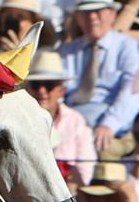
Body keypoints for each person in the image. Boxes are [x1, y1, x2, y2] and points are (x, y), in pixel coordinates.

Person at [59, 0, 139, 153]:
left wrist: (110, 124)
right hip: (70, 127)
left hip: (112, 130)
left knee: (104, 157)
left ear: (113, 14)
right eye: (85, 13)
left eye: (98, 11)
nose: (92, 18)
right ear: (77, 18)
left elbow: (134, 88)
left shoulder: (128, 47)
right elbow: (57, 91)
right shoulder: (66, 51)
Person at [24, 50, 94, 184]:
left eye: (49, 85)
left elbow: (85, 170)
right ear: (28, 89)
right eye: (36, 85)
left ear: (62, 91)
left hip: (69, 190)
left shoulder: (76, 121)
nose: (42, 91)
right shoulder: (18, 120)